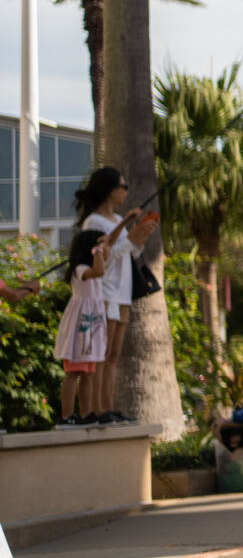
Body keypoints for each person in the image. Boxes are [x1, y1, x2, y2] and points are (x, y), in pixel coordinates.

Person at [74, 167, 158, 423]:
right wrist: (128, 237)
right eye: (124, 187)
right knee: (102, 353)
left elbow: (126, 255)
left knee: (113, 355)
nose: (125, 192)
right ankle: (96, 410)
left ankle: (107, 407)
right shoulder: (94, 223)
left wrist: (138, 239)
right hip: (106, 292)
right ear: (112, 191)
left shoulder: (117, 219)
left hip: (122, 293)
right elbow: (104, 258)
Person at [54, 231, 111, 427]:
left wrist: (104, 248)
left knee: (88, 373)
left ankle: (85, 414)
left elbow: (104, 264)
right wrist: (97, 250)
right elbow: (99, 271)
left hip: (91, 328)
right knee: (73, 373)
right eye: (100, 246)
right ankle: (66, 415)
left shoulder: (95, 264)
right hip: (79, 328)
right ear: (91, 248)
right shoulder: (80, 269)